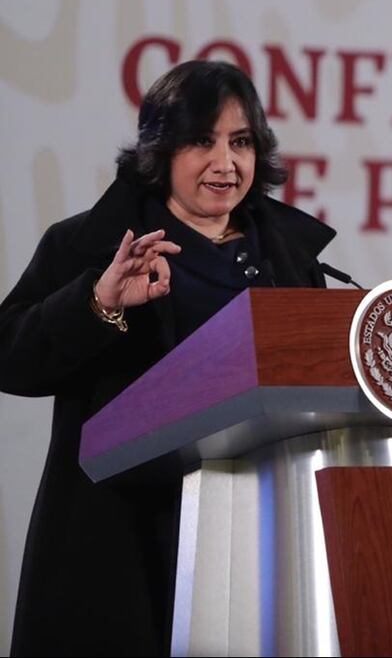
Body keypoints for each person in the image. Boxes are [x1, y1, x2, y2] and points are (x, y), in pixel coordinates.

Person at [0, 60, 335, 655]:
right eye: (201, 141)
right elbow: (11, 359)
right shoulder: (88, 246)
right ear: (160, 150)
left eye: (240, 142)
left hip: (262, 532)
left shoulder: (293, 261)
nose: (225, 164)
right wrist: (98, 304)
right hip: (125, 540)